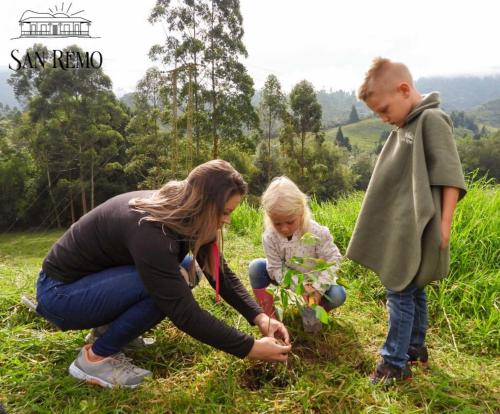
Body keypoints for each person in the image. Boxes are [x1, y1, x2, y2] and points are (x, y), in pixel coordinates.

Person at [35, 160, 291, 388]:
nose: (227, 221)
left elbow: (218, 271)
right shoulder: (151, 231)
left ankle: (109, 331)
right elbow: (185, 313)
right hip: (61, 295)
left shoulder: (183, 208)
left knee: (186, 269)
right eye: (224, 213)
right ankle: (96, 357)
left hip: (91, 283)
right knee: (172, 282)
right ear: (203, 204)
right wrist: (251, 348)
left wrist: (259, 318)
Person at [347, 58, 466, 383]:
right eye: (378, 114)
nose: (384, 119)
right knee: (410, 288)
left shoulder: (431, 120)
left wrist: (445, 225)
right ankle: (414, 347)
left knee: (398, 288)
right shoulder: (406, 124)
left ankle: (393, 363)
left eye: (385, 110)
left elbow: (451, 176)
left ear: (404, 90)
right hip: (403, 225)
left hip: (420, 227)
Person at [248, 176, 346, 333]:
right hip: (290, 279)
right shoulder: (270, 237)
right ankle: (271, 321)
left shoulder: (317, 233)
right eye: (277, 223)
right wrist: (299, 288)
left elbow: (334, 259)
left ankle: (315, 309)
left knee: (338, 295)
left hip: (317, 280)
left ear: (301, 212)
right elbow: (275, 268)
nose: (284, 228)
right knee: (256, 267)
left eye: (290, 222)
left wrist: (317, 289)